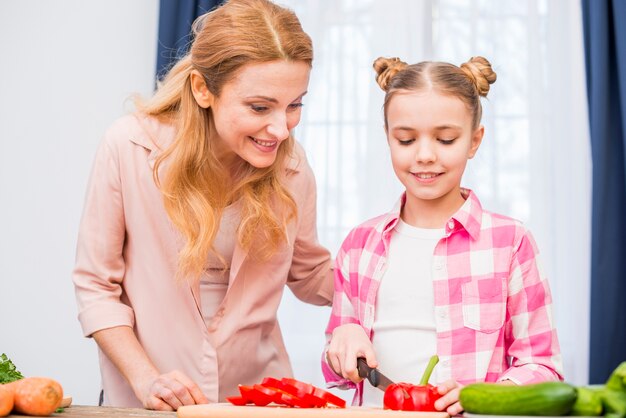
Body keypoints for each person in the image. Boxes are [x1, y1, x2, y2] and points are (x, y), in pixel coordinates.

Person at [72, 0, 333, 411]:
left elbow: (309, 273)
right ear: (202, 89)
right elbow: (96, 288)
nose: (282, 129)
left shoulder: (293, 168)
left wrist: (391, 260)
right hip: (146, 401)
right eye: (260, 107)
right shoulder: (129, 148)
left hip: (258, 401)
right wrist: (146, 379)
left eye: (295, 105)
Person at [321, 56, 564, 413]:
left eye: (446, 139)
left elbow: (543, 367)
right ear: (388, 137)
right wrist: (342, 341)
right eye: (405, 140)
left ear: (474, 141)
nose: (424, 155)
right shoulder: (360, 244)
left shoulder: (511, 243)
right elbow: (337, 371)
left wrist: (486, 397)